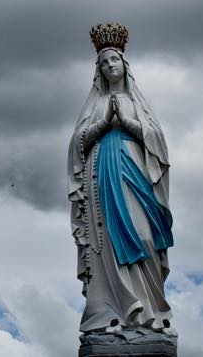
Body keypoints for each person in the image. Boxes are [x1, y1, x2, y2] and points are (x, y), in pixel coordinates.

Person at [68, 22, 175, 339]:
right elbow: (77, 144)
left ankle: (150, 311)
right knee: (108, 244)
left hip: (134, 171)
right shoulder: (95, 104)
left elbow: (158, 143)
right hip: (102, 173)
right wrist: (103, 123)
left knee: (143, 236)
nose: (108, 65)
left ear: (124, 64)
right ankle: (113, 312)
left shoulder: (138, 102)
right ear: (98, 70)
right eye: (103, 62)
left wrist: (126, 121)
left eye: (113, 59)